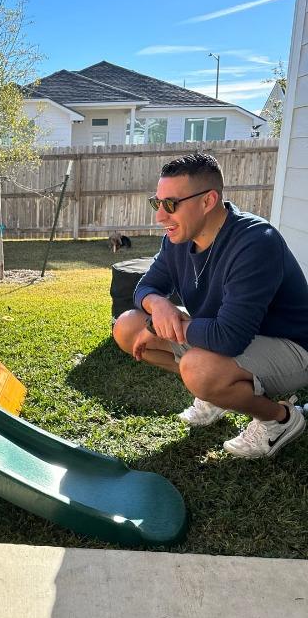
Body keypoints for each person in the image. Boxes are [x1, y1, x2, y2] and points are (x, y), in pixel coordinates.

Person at [113, 152, 308, 458]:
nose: (160, 216)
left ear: (207, 201)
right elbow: (145, 287)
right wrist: (158, 306)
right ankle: (216, 396)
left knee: (199, 369)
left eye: (170, 205)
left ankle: (279, 419)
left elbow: (229, 337)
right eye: (157, 203)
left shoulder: (256, 242)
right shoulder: (176, 240)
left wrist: (166, 326)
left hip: (291, 346)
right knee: (127, 326)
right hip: (227, 331)